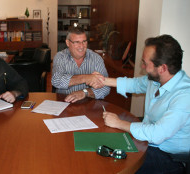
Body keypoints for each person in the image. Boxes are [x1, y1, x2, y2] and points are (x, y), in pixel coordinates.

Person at [102, 35, 189, 173]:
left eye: (145, 63)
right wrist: (102, 81)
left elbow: (157, 134)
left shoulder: (185, 96)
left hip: (168, 157)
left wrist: (119, 123)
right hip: (148, 142)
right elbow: (135, 84)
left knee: (113, 165)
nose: (142, 66)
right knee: (105, 148)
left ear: (162, 68)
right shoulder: (156, 79)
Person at [51, 27, 110, 103]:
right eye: (77, 42)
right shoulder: (60, 57)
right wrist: (86, 78)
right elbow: (56, 80)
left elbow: (106, 87)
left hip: (89, 104)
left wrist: (85, 92)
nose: (81, 46)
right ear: (68, 43)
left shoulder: (96, 58)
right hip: (65, 102)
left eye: (84, 41)